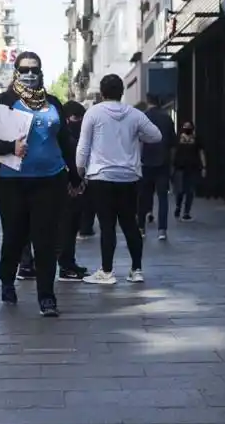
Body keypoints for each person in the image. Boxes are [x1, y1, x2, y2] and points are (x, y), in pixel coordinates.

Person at [0, 51, 82, 317]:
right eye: (24, 69)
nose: (30, 74)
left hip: (50, 180)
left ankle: (47, 297)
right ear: (16, 71)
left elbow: (64, 141)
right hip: (11, 183)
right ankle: (6, 280)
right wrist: (9, 146)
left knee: (45, 239)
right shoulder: (3, 102)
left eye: (35, 69)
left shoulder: (53, 103)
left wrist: (74, 174)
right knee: (14, 235)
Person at [77, 75, 162, 285]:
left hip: (101, 176)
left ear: (102, 93)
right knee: (129, 224)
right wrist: (136, 137)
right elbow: (156, 136)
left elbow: (84, 146)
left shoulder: (93, 113)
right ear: (122, 92)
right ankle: (137, 269)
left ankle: (107, 272)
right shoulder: (135, 114)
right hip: (129, 176)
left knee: (107, 225)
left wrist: (79, 170)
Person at [16, 100, 90, 281]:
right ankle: (59, 265)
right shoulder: (58, 134)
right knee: (58, 226)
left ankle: (31, 264)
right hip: (53, 183)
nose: (78, 122)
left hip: (54, 182)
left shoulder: (61, 133)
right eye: (75, 118)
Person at [139, 93, 176, 240]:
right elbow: (173, 143)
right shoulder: (166, 118)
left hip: (145, 162)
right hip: (163, 162)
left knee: (142, 196)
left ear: (148, 102)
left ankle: (141, 227)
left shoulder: (142, 117)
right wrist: (171, 162)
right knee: (162, 197)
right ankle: (162, 230)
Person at [172, 120, 205, 220]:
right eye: (185, 126)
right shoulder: (178, 139)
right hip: (180, 168)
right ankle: (178, 207)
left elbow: (201, 153)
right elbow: (173, 152)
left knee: (190, 191)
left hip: (193, 168)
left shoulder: (196, 139)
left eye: (189, 126)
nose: (187, 128)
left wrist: (204, 166)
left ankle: (186, 212)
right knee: (180, 191)